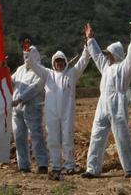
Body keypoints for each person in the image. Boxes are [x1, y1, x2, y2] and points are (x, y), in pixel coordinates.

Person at [82, 15, 131, 178]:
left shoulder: (124, 67)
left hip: (117, 103)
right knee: (96, 134)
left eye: (108, 53)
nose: (106, 56)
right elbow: (96, 56)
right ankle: (92, 169)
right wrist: (90, 40)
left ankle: (129, 168)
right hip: (102, 103)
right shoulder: (106, 67)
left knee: (121, 136)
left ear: (115, 54)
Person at [23, 36, 90, 177]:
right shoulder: (48, 74)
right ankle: (55, 166)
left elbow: (83, 61)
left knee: (67, 138)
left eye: (61, 61)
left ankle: (70, 165)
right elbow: (34, 65)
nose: (59, 63)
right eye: (56, 61)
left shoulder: (71, 74)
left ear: (65, 62)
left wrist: (86, 44)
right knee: (53, 139)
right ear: (53, 63)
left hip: (67, 113)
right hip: (51, 113)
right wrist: (27, 53)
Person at [10, 44, 49, 174]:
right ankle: (23, 165)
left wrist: (20, 99)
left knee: (35, 136)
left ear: (35, 55)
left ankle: (42, 164)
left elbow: (35, 88)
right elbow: (11, 81)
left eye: (29, 54)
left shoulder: (41, 71)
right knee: (19, 136)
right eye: (25, 54)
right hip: (17, 109)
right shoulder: (20, 69)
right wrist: (2, 69)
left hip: (32, 107)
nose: (26, 57)